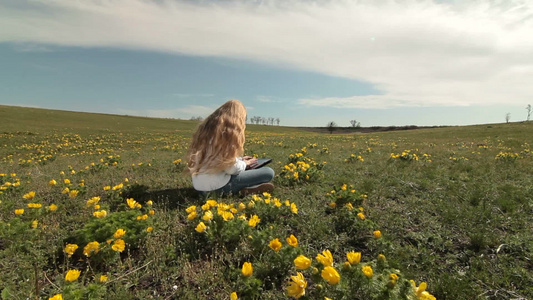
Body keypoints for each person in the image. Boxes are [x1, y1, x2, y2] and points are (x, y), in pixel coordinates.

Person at [186, 99, 274, 196]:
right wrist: (245, 164)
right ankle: (244, 189)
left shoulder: (206, 132)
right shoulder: (227, 134)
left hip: (200, 189)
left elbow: (218, 158)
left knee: (246, 168)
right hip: (218, 188)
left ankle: (248, 188)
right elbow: (231, 169)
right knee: (268, 172)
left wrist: (240, 159)